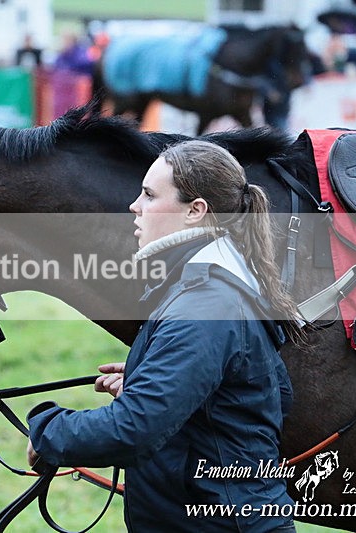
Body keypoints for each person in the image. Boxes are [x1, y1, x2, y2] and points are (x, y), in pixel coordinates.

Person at [27, 140, 301, 532]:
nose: (134, 206)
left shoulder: (206, 303)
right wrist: (153, 377)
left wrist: (48, 430)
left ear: (196, 211)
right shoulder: (216, 288)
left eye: (150, 195)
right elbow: (256, 399)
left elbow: (133, 430)